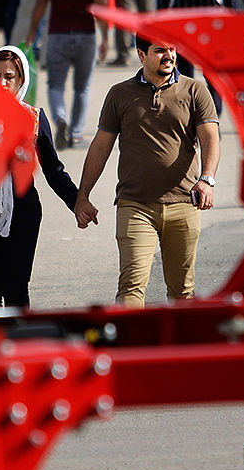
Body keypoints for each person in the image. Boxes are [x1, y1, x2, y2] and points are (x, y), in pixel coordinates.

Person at [74, 39, 221, 308]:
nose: (169, 56)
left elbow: (211, 138)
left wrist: (207, 180)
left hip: (184, 204)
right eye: (160, 50)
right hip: (135, 205)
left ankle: (180, 349)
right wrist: (83, 196)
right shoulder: (119, 94)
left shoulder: (195, 90)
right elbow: (100, 146)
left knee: (183, 292)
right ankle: (129, 348)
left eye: (173, 49)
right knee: (130, 286)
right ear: (141, 54)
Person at [0, 46, 78, 309]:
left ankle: (20, 345)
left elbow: (53, 169)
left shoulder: (33, 119)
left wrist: (78, 202)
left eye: (9, 76)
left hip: (23, 216)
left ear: (21, 80)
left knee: (16, 290)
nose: (2, 82)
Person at [26, 0, 108, 150]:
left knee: (55, 85)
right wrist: (106, 38)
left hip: (58, 35)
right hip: (86, 36)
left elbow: (41, 4)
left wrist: (32, 32)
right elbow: (101, 9)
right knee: (82, 87)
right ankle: (76, 134)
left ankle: (60, 117)